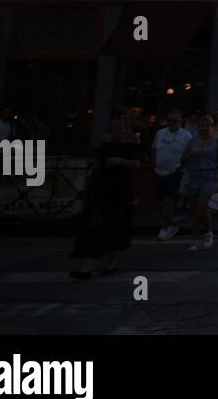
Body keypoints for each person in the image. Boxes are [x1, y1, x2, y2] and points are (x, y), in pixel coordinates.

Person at [69, 111, 146, 280]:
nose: (116, 124)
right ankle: (86, 266)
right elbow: (99, 159)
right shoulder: (105, 138)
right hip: (101, 183)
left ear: (124, 122)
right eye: (113, 121)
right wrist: (92, 171)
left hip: (120, 185)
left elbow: (138, 164)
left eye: (119, 120)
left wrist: (120, 161)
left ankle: (111, 262)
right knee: (92, 222)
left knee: (116, 223)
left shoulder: (133, 139)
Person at [180, 115, 218, 252]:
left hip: (210, 175)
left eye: (207, 125)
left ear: (212, 127)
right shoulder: (192, 141)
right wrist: (191, 155)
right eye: (202, 126)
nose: (205, 128)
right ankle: (196, 238)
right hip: (195, 175)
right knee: (194, 209)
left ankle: (208, 233)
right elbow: (182, 160)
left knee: (202, 206)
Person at [153, 111, 192, 240]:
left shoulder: (186, 136)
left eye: (175, 121)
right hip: (159, 170)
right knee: (162, 201)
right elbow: (154, 149)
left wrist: (183, 168)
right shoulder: (160, 133)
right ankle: (169, 223)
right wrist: (154, 165)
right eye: (169, 120)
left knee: (168, 199)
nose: (172, 123)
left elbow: (189, 153)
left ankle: (165, 228)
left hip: (175, 170)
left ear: (181, 122)